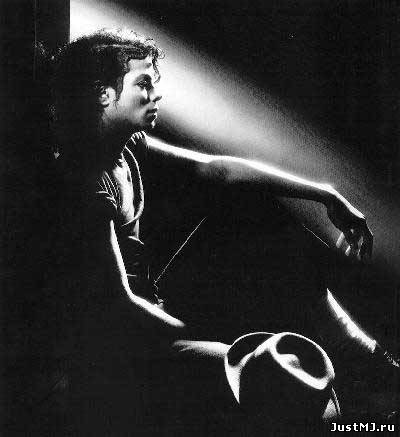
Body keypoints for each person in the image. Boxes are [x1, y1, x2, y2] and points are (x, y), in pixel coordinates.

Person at [22, 28, 375, 435]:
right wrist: (206, 337)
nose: (156, 95)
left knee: (257, 207)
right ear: (103, 94)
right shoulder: (85, 180)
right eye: (143, 84)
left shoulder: (128, 149)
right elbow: (118, 307)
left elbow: (217, 170)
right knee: (272, 389)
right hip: (113, 348)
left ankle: (361, 354)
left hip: (148, 311)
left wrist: (325, 194)